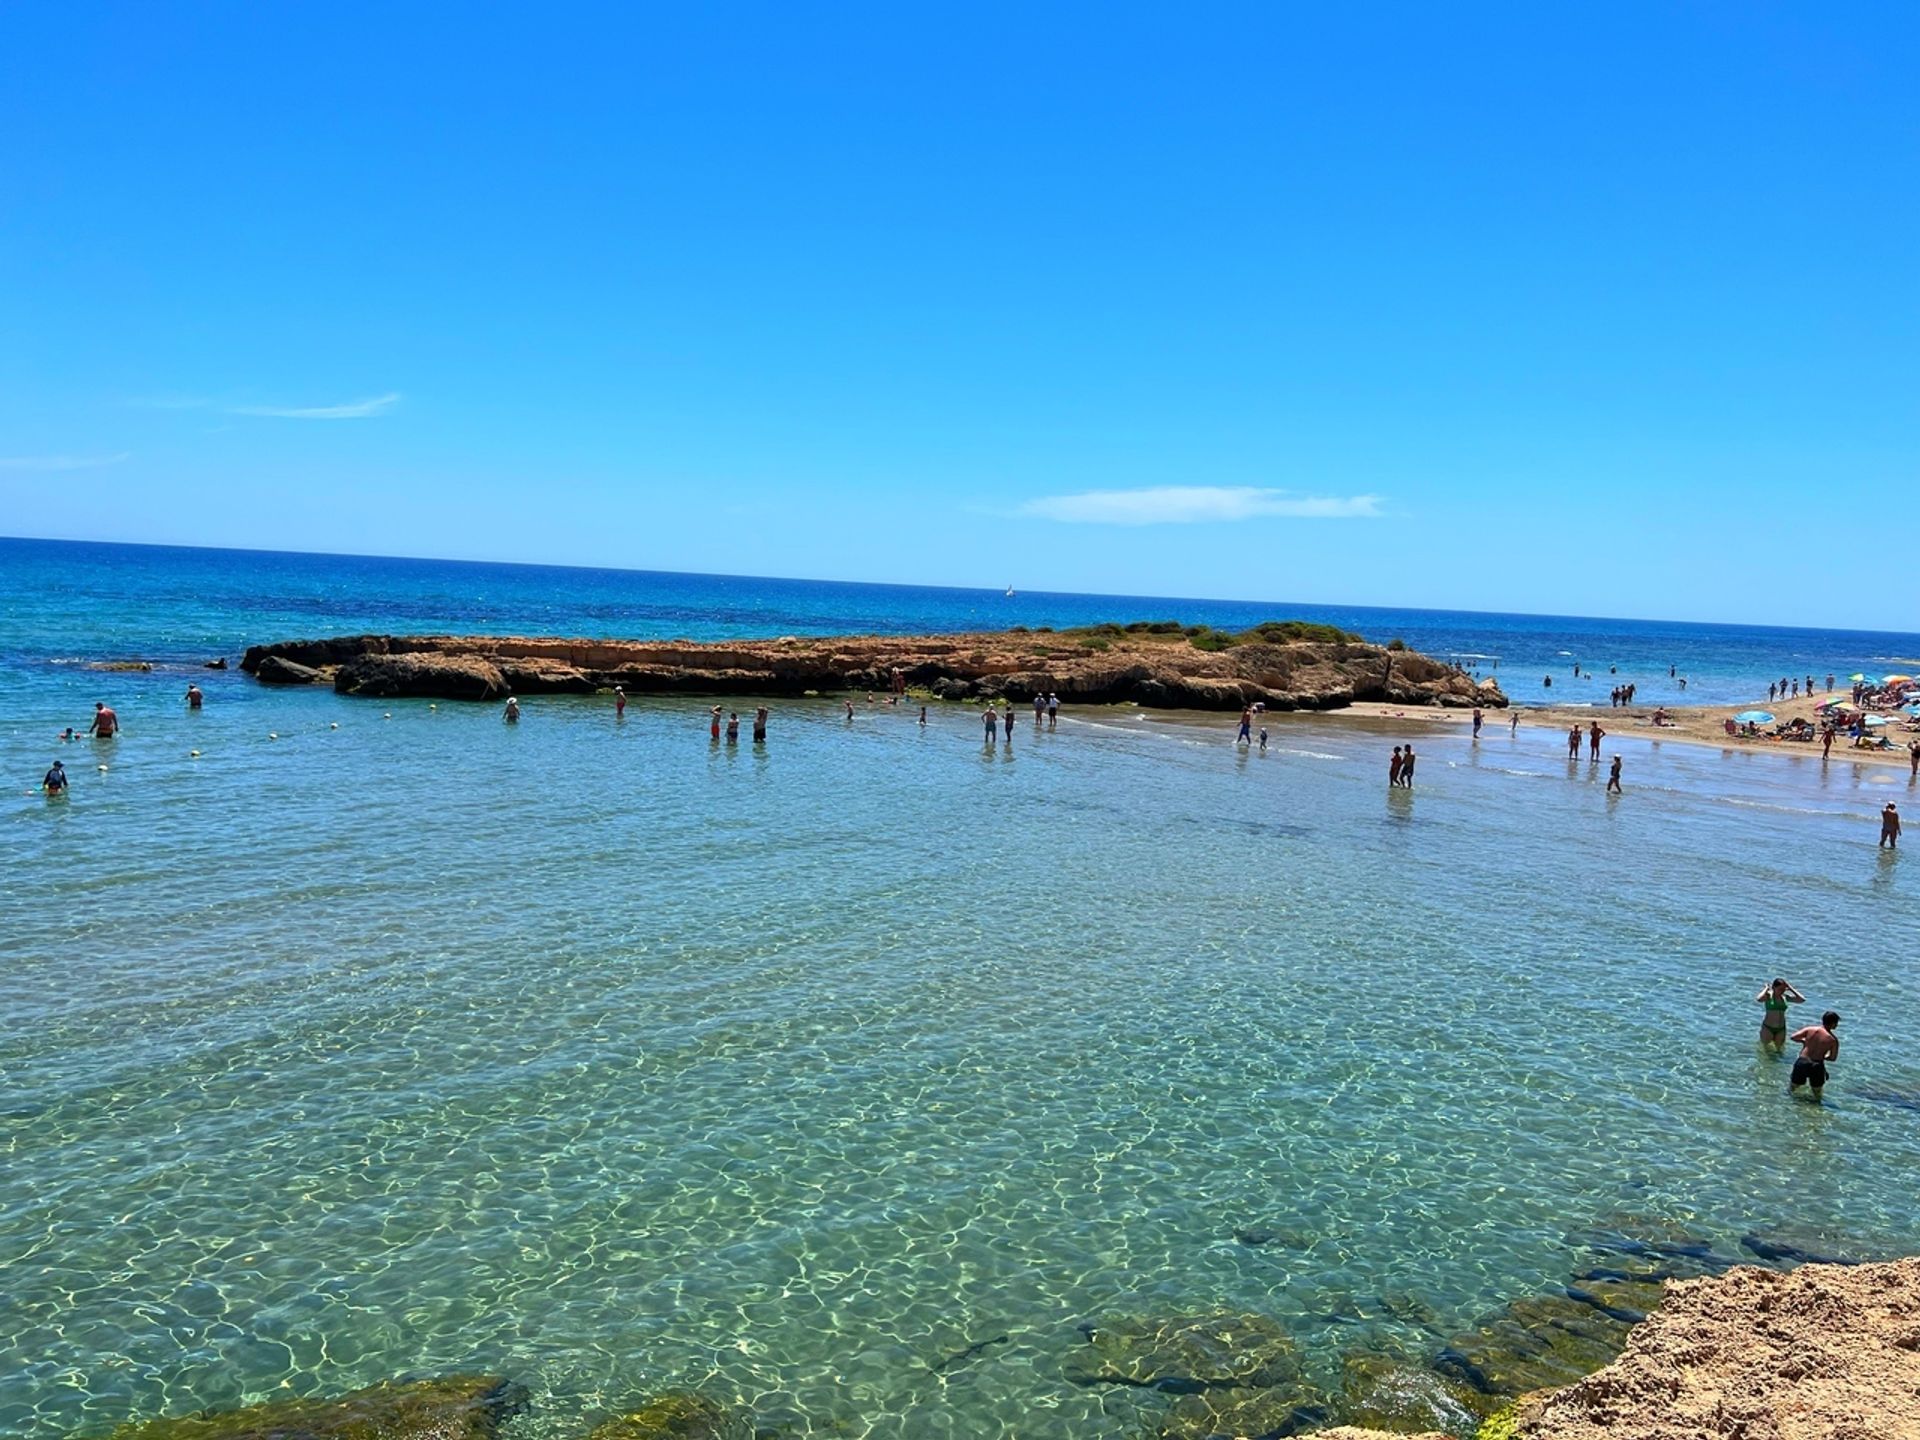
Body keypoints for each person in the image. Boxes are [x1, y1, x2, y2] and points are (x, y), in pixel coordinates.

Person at [1788, 1012, 1840, 1099]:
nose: (1837, 1025)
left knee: (1793, 1087)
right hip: (1816, 1065)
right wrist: (1823, 1056)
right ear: (1833, 1023)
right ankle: (1816, 1109)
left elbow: (1793, 1037)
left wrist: (1804, 1041)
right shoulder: (1833, 1040)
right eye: (1836, 1023)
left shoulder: (1810, 1029)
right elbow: (1833, 1058)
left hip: (1802, 1061)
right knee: (1817, 1092)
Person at [1755, 978, 1805, 1049]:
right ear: (1774, 987)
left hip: (1781, 1029)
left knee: (1779, 1051)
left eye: (1784, 989)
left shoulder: (1785, 997)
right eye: (1780, 989)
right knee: (1765, 1050)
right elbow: (1758, 999)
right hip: (1768, 1028)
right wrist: (1766, 989)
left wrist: (1791, 988)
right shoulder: (1769, 996)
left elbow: (1802, 999)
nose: (1782, 991)